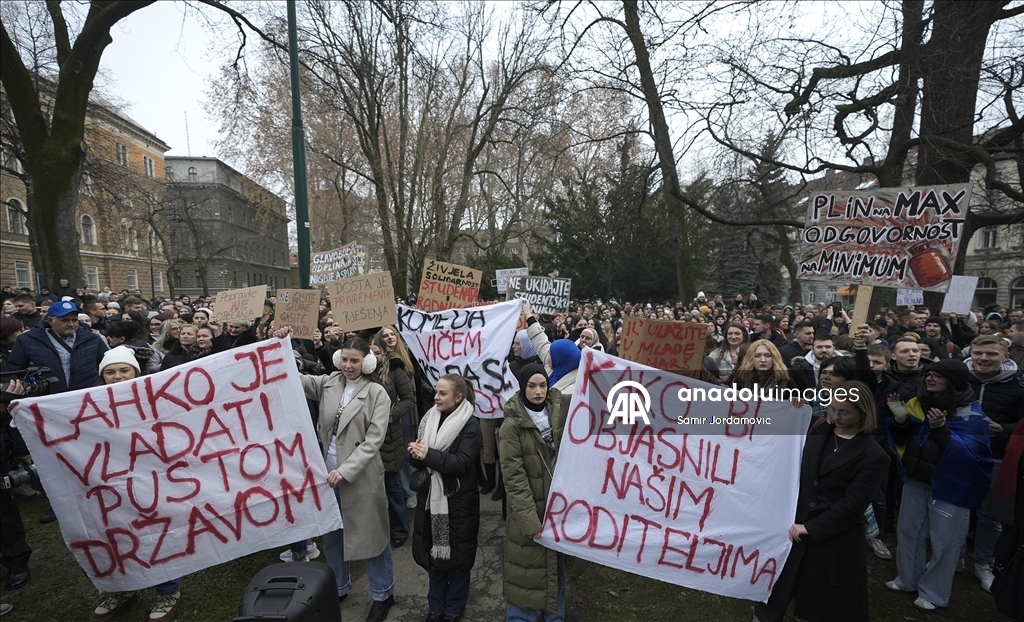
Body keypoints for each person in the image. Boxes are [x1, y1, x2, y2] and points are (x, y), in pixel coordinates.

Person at [285, 330, 397, 622]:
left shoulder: (377, 394)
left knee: (373, 539)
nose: (348, 365)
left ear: (367, 363)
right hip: (326, 474)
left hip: (360, 477)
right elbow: (294, 378)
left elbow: (374, 441)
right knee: (333, 536)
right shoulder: (330, 382)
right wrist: (282, 344)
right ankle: (339, 586)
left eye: (355, 361)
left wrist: (344, 471)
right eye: (345, 359)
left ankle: (383, 594)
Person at [755, 381, 889, 622]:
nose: (836, 416)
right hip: (795, 518)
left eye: (844, 412)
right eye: (832, 409)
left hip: (833, 535)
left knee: (822, 598)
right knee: (779, 582)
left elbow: (854, 505)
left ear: (863, 413)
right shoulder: (818, 429)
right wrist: (796, 409)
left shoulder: (874, 456)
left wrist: (812, 528)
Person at [885, 358, 993, 611]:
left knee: (945, 542)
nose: (929, 378)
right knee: (909, 531)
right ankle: (907, 580)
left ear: (953, 381)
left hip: (951, 486)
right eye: (928, 374)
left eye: (937, 375)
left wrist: (941, 430)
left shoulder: (973, 414)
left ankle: (934, 593)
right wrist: (900, 421)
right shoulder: (918, 404)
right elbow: (907, 442)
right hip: (916, 479)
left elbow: (972, 456)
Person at [88, 346, 181, 622]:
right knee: (114, 536)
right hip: (108, 485)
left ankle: (168, 590)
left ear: (136, 372)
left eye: (124, 370)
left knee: (156, 535)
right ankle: (123, 588)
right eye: (110, 372)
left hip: (150, 482)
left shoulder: (156, 400)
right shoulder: (86, 404)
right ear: (102, 376)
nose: (117, 376)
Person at [499, 362, 576, 621]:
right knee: (526, 574)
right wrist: (530, 521)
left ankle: (555, 617)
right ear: (522, 388)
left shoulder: (559, 407)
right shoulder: (512, 426)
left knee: (555, 571)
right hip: (530, 513)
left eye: (543, 385)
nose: (538, 391)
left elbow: (593, 397)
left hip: (559, 509)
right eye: (531, 386)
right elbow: (514, 478)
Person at [409, 374, 482, 622]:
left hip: (458, 501)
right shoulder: (429, 418)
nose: (436, 397)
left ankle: (453, 608)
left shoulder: (470, 424)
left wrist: (427, 455)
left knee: (457, 560)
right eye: (436, 392)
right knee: (434, 556)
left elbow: (461, 463)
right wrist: (415, 453)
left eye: (442, 393)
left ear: (458, 397)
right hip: (430, 499)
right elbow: (421, 459)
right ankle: (436, 606)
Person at [965, 334, 1024, 592]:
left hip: (996, 458)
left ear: (1005, 357)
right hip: (959, 456)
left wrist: (1005, 429)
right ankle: (953, 556)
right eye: (978, 353)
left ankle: (984, 563)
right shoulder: (959, 378)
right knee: (958, 509)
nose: (983, 358)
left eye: (991, 354)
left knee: (989, 515)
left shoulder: (1019, 385)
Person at [370, 337, 416, 549]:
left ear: (384, 353)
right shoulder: (361, 373)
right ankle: (377, 530)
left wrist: (390, 415)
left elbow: (408, 399)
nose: (374, 357)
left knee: (392, 486)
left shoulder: (395, 371)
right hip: (366, 439)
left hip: (390, 437)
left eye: (377, 353)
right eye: (370, 353)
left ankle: (399, 529)